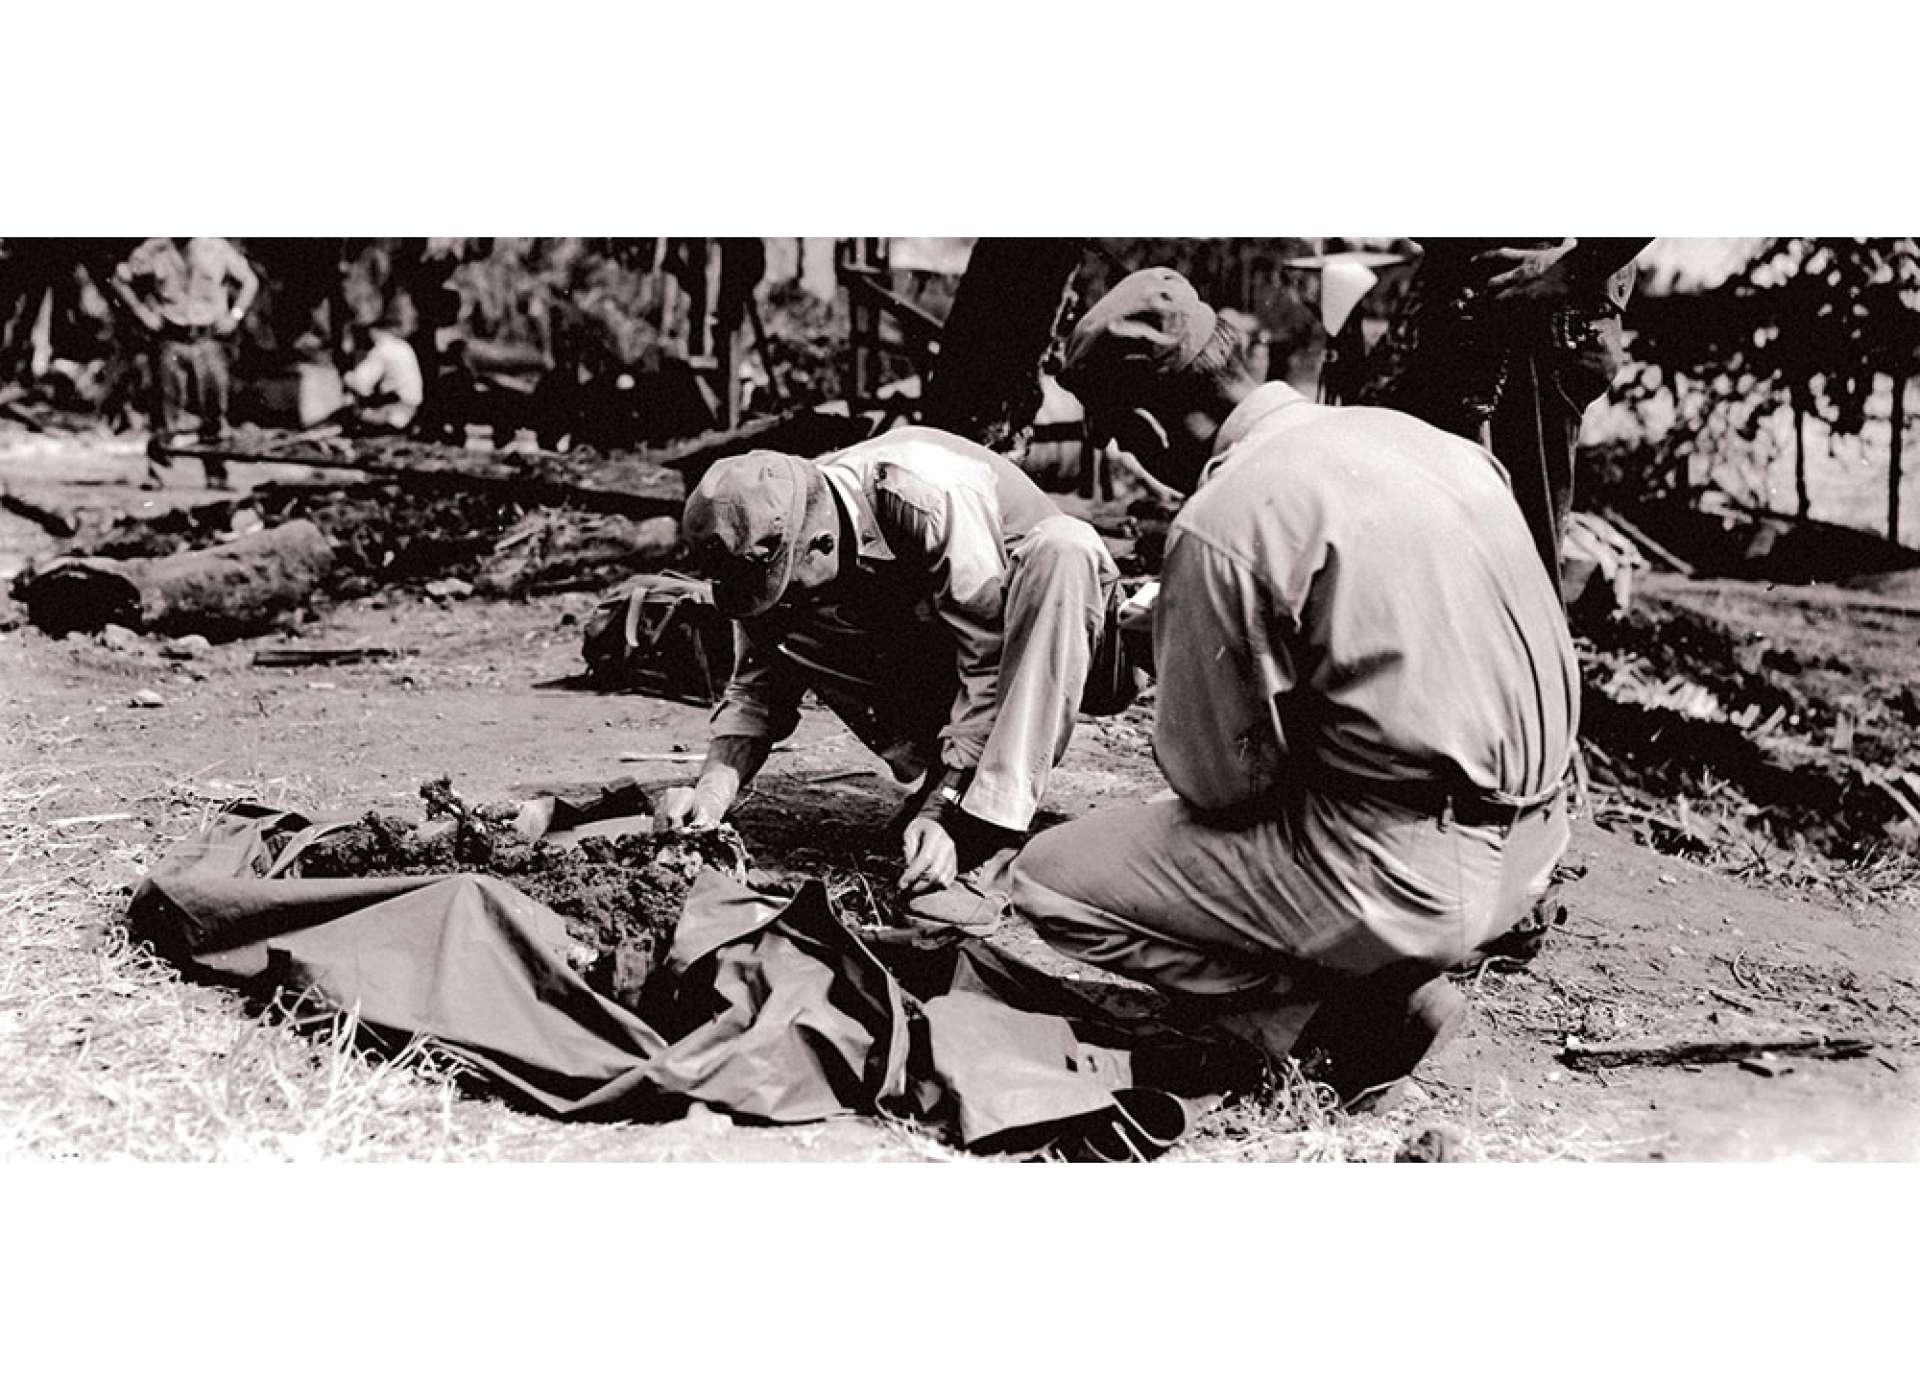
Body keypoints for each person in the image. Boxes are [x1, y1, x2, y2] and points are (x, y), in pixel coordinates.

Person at [1012, 268, 1580, 1105]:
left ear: (1143, 424)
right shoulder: (1428, 441)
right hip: (1536, 847)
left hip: (1408, 881)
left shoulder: (1221, 516)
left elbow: (1222, 786)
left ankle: (1318, 1024)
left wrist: (1185, 650)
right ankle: (1385, 979)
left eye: (1123, 440)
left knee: (1048, 879)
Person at [657, 426, 1139, 927]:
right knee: (792, 627)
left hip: (1087, 647)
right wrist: (709, 794)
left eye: (783, 583)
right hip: (961, 649)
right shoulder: (776, 514)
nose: (783, 599)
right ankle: (948, 786)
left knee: (1063, 547)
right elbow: (755, 691)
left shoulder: (920, 491)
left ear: (820, 543)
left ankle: (988, 833)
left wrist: (943, 808)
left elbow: (988, 664)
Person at [1359, 238, 1651, 591]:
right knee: (1434, 563)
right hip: (1462, 311)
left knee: (1516, 577)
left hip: (1531, 316)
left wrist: (1573, 268)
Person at [109, 237, 259, 488]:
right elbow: (119, 279)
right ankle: (159, 473)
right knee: (164, 406)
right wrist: (141, 312)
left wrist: (235, 315)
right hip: (171, 337)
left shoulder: (216, 247)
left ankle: (215, 472)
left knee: (213, 406)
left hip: (207, 338)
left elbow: (250, 281)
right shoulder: (155, 249)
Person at [341, 317, 425, 431]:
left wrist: (345, 376)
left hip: (395, 410)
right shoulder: (404, 345)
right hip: (413, 408)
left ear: (374, 331)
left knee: (348, 410)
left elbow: (362, 386)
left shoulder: (382, 349)